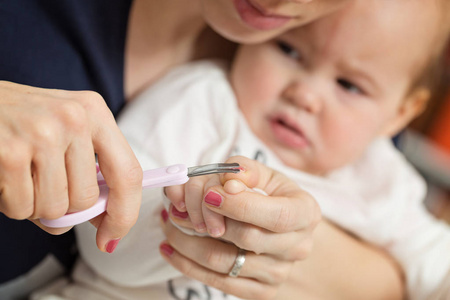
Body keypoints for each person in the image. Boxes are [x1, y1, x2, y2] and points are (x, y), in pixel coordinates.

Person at [34, 0, 449, 299]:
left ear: (401, 114)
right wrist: (191, 218)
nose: (305, 94)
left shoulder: (378, 174)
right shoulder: (200, 101)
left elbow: (434, 267)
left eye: (349, 86)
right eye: (289, 51)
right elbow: (104, 243)